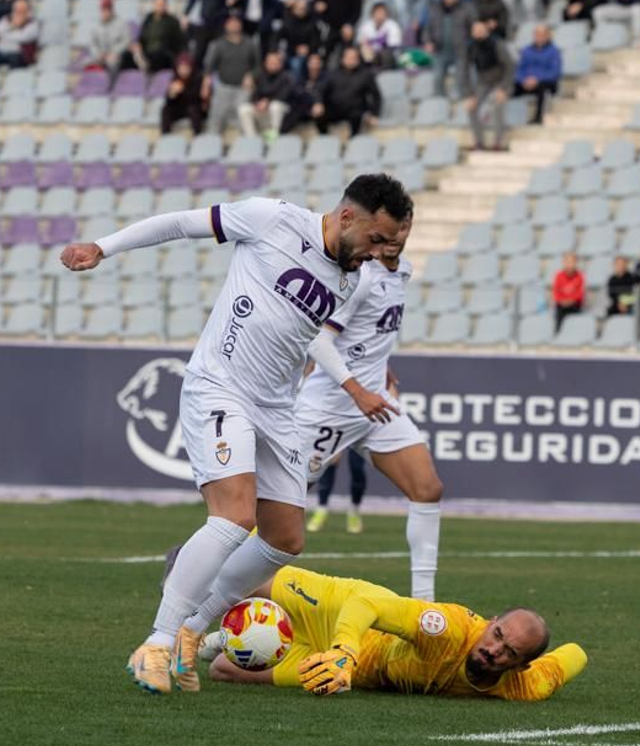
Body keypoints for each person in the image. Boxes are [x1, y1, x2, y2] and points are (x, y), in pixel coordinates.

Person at [57, 175, 414, 695]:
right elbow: (180, 223)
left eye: (393, 247)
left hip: (277, 406)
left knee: (285, 537)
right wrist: (103, 247)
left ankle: (192, 631)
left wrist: (366, 372)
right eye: (377, 241)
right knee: (233, 517)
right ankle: (155, 644)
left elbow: (306, 336)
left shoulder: (352, 278)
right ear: (347, 218)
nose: (380, 254)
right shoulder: (273, 219)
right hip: (220, 387)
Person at [295, 219, 443, 596]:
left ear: (409, 229)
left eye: (404, 227)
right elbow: (319, 343)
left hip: (376, 407)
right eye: (389, 228)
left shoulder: (403, 271)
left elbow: (370, 335)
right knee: (278, 516)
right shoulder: (360, 277)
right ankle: (200, 580)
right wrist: (358, 390)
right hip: (329, 408)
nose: (396, 236)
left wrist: (379, 367)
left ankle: (424, 606)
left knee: (427, 488)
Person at [202, 565, 587, 701]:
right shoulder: (448, 628)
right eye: (498, 634)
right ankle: (187, 580)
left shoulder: (525, 686)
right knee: (242, 580)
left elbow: (575, 654)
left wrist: (345, 663)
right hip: (347, 614)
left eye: (509, 653)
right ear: (490, 622)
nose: (493, 650)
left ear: (520, 667)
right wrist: (344, 650)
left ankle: (228, 637)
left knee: (222, 670)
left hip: (352, 671)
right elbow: (366, 607)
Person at [202, 14, 258, 135]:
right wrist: (206, 86)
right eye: (230, 23)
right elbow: (209, 68)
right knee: (216, 120)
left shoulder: (250, 43)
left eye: (236, 22)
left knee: (243, 119)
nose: (233, 25)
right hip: (223, 87)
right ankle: (212, 144)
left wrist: (251, 76)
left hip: (243, 89)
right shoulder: (218, 44)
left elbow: (258, 65)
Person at [464, 19, 513, 152]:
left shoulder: (497, 44)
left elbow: (509, 66)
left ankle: (498, 142)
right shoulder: (471, 47)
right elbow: (466, 71)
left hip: (500, 80)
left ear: (486, 31)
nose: (478, 33)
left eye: (481, 30)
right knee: (471, 107)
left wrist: (504, 88)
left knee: (498, 105)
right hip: (483, 82)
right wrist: (469, 94)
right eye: (475, 31)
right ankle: (479, 142)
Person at [314, 44, 381, 135]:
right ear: (342, 58)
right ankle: (325, 138)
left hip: (355, 110)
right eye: (348, 57)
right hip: (335, 109)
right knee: (319, 115)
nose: (351, 60)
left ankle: (353, 142)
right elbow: (320, 90)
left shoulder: (365, 75)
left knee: (357, 117)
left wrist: (374, 114)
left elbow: (376, 95)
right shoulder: (333, 74)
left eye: (354, 57)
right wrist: (318, 103)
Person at [306, 450, 368, 534]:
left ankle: (354, 511)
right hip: (337, 437)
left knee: (357, 468)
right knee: (329, 462)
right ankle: (321, 509)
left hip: (357, 438)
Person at [238, 48, 295, 139]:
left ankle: (273, 136)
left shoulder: (287, 77)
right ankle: (251, 139)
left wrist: (268, 101)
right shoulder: (260, 75)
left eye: (275, 62)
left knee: (275, 106)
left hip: (281, 111)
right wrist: (257, 103)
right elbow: (254, 94)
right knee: (244, 109)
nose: (272, 65)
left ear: (280, 64)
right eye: (270, 62)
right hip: (262, 109)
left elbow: (284, 95)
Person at [513, 23, 561, 124]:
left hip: (544, 82)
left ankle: (538, 118)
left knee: (542, 89)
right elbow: (520, 69)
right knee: (510, 88)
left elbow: (554, 72)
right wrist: (523, 80)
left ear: (548, 35)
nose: (539, 37)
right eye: (537, 34)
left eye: (542, 34)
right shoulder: (526, 50)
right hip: (526, 82)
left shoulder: (554, 51)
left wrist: (537, 79)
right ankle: (514, 117)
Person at [159, 52, 207, 132]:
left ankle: (198, 135)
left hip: (195, 108)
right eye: (181, 68)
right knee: (165, 110)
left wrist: (183, 90)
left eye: (186, 68)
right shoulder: (175, 78)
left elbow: (196, 98)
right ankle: (165, 135)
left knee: (193, 110)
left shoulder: (197, 78)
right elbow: (168, 101)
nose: (183, 71)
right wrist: (172, 94)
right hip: (180, 108)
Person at [356, 2, 404, 68]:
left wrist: (376, 52)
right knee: (362, 50)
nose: (380, 15)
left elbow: (393, 46)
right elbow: (360, 42)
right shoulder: (366, 26)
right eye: (378, 12)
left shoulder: (393, 25)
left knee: (386, 54)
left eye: (382, 13)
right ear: (372, 14)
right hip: (370, 54)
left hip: (387, 55)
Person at [551, 252, 585, 331]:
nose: (570, 265)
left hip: (574, 304)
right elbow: (556, 292)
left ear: (575, 263)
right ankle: (558, 333)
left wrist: (571, 300)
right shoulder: (559, 276)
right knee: (559, 312)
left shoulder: (580, 276)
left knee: (575, 314)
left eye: (572, 262)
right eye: (568, 262)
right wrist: (562, 301)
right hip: (562, 304)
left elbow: (580, 293)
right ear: (564, 263)